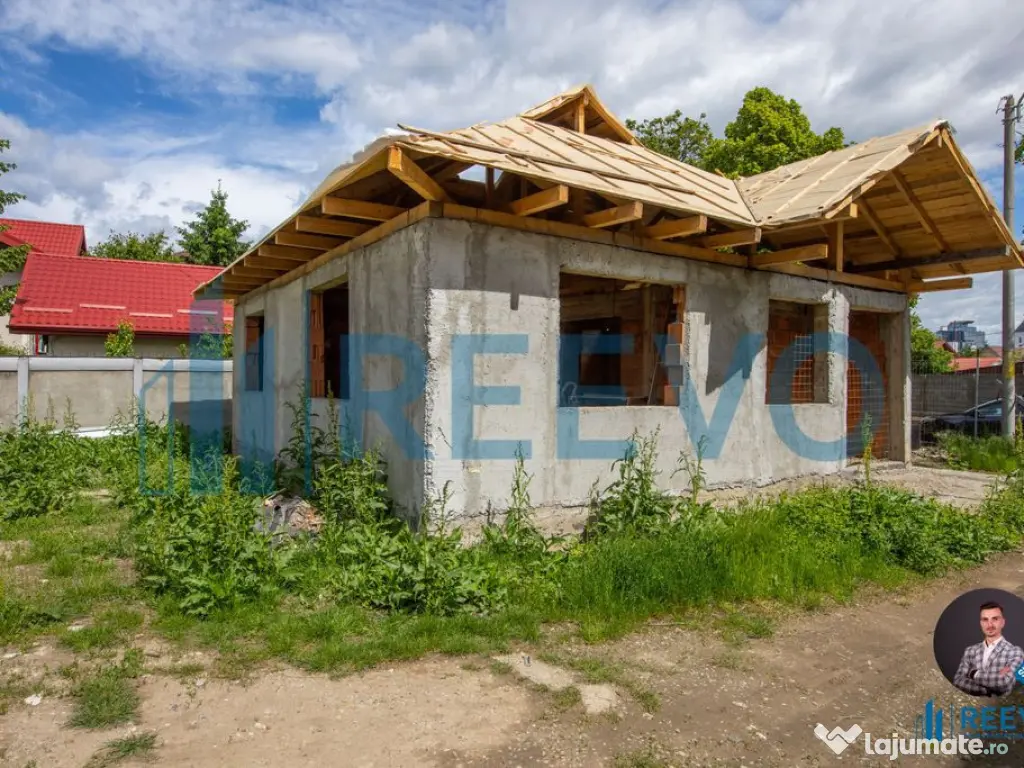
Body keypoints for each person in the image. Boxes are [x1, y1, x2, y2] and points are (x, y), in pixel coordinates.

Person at [952, 601, 1024, 697]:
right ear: (981, 623)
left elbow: (1004, 682)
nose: (989, 625)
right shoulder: (970, 651)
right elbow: (958, 681)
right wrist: (986, 691)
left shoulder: (1015, 652)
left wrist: (973, 673)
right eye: (985, 619)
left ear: (1003, 622)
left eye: (995, 619)